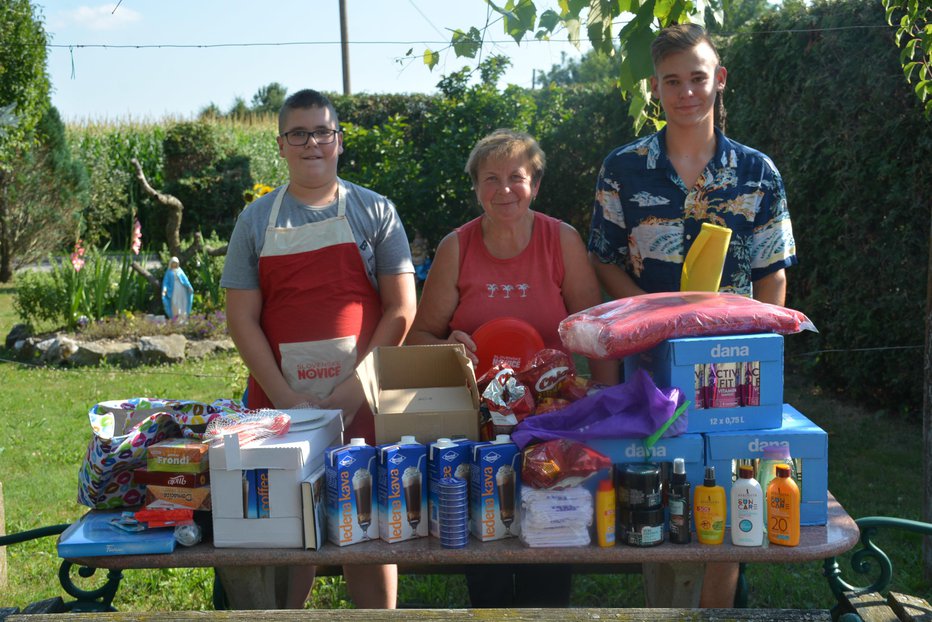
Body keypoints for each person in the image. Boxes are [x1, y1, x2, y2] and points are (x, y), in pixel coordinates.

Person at [587, 24, 797, 607]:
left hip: (732, 365)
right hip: (647, 363)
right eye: (672, 82)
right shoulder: (623, 169)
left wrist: (755, 353)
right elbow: (602, 260)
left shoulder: (757, 173)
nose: (686, 93)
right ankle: (663, 607)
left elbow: (771, 276)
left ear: (719, 80)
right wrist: (654, 321)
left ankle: (715, 612)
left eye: (698, 79)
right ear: (655, 89)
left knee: (731, 490)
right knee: (652, 495)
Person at [221, 89, 417, 609]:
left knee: (370, 531)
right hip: (277, 411)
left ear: (339, 141)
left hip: (363, 404)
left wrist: (354, 390)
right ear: (281, 145)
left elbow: (401, 309)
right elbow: (241, 317)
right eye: (299, 134)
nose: (312, 143)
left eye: (323, 132)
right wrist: (285, 396)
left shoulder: (376, 212)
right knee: (282, 535)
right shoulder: (255, 221)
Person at [406, 128, 617, 607]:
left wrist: (603, 403)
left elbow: (596, 332)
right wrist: (449, 345)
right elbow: (419, 337)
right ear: (476, 188)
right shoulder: (455, 248)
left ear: (535, 184)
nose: (504, 190)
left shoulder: (560, 240)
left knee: (551, 541)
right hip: (478, 425)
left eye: (516, 178)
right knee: (488, 552)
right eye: (491, 179)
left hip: (551, 419)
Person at [161, 256, 194, 322]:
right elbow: (166, 282)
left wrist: (189, 287)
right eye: (173, 263)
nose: (174, 264)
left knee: (182, 302)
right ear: (171, 264)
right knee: (174, 302)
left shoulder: (180, 271)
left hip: (182, 289)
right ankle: (176, 318)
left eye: (176, 263)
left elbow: (185, 280)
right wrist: (164, 289)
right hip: (173, 290)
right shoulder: (168, 272)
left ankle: (183, 318)